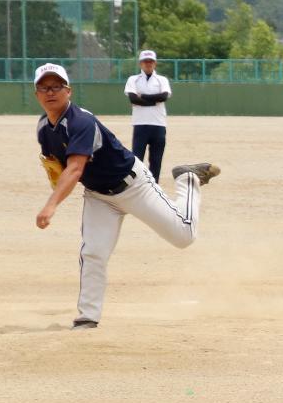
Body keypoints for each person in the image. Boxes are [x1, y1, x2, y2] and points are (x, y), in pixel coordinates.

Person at [32, 62, 221, 330]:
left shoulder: (81, 122)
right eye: (44, 87)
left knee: (184, 236)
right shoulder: (43, 128)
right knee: (93, 252)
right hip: (99, 196)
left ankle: (187, 179)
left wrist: (51, 206)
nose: (51, 92)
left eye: (57, 86)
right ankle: (87, 316)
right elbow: (58, 167)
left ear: (68, 91)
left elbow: (75, 168)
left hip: (133, 186)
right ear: (36, 93)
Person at [124, 48, 173, 182]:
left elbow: (163, 97)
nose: (148, 64)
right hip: (140, 124)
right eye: (145, 62)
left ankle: (154, 185)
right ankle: (137, 185)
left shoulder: (161, 80)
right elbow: (133, 99)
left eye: (151, 62)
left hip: (158, 124)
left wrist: (143, 97)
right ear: (140, 64)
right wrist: (153, 101)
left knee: (156, 160)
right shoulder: (133, 79)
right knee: (137, 159)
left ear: (155, 63)